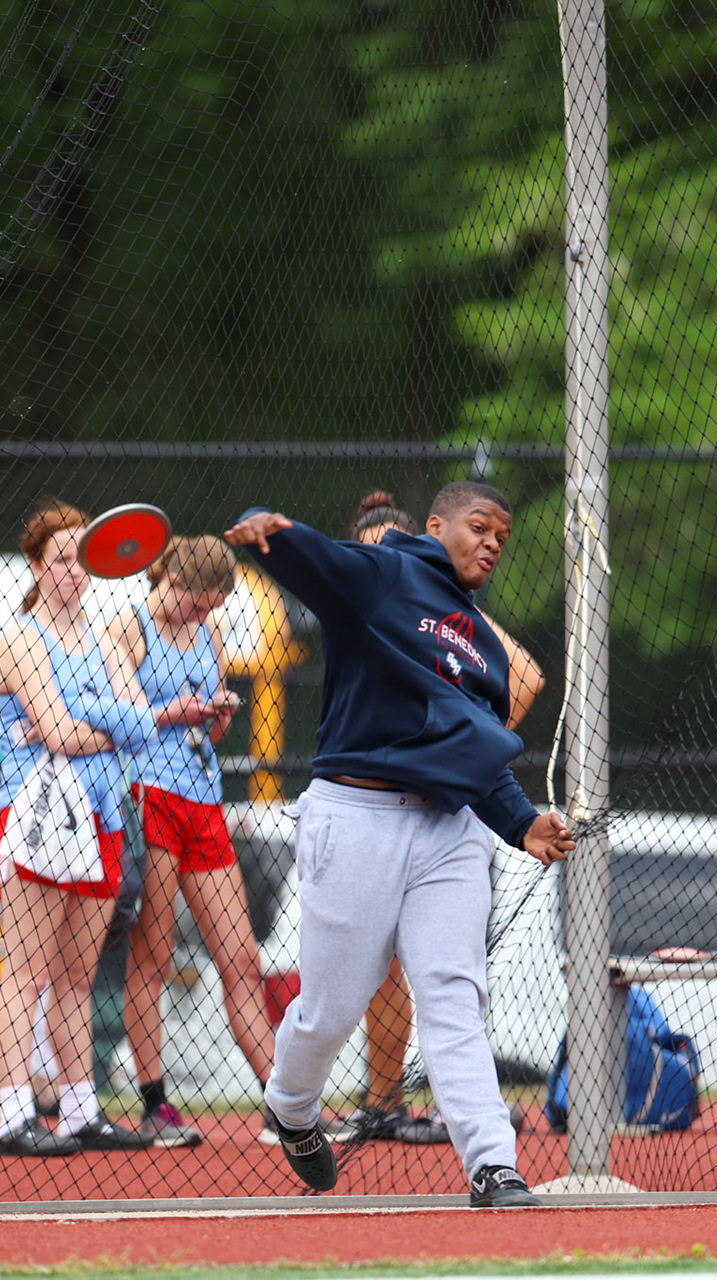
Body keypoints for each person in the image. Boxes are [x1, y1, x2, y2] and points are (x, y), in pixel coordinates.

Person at [224, 481, 574, 1208]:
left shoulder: (481, 642)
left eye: (502, 538)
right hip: (358, 816)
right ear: (436, 525)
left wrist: (521, 821)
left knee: (453, 994)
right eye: (480, 527)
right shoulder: (386, 573)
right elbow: (320, 565)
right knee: (333, 1006)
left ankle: (493, 1165)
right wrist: (273, 535)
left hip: (448, 831)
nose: (492, 544)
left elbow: (472, 752)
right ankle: (292, 1104)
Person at [0, 500, 213, 1157]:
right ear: (36, 564)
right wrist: (108, 721)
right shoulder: (26, 638)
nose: (74, 573)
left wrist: (93, 719)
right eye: (59, 561)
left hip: (103, 814)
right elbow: (66, 729)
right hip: (39, 814)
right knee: (26, 971)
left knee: (79, 976)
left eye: (80, 560)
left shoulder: (103, 636)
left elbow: (136, 720)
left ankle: (82, 1113)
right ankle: (15, 1116)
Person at [331, 492, 544, 1146]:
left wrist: (461, 748)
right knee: (371, 974)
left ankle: (464, 1117)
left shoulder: (450, 612)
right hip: (369, 812)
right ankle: (384, 1101)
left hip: (450, 811)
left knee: (451, 980)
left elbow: (527, 675)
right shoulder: (362, 610)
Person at [104, 535, 268, 1148]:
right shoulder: (130, 624)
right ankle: (154, 1103)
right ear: (171, 580)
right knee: (155, 956)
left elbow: (214, 729)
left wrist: (219, 711)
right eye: (195, 604)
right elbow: (127, 712)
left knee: (242, 960)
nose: (201, 617)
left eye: (211, 608)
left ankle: (284, 1103)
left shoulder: (210, 633)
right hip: (150, 794)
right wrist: (181, 711)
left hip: (203, 796)